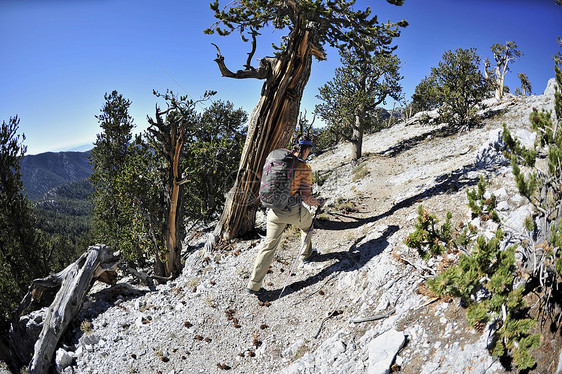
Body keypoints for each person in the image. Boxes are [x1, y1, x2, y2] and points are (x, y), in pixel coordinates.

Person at [246, 136, 324, 294]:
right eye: (309, 150)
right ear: (306, 149)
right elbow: (306, 199)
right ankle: (306, 255)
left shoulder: (278, 160)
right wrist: (319, 202)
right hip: (294, 211)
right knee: (307, 226)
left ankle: (253, 285)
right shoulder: (305, 167)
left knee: (269, 246)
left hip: (274, 212)